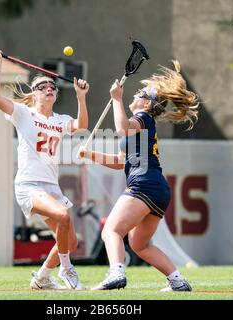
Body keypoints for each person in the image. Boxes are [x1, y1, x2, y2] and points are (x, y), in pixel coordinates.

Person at [78, 61, 198, 291]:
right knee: (139, 244)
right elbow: (121, 161)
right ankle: (177, 281)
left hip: (143, 185)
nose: (135, 94)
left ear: (146, 103)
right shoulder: (141, 122)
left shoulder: (143, 116)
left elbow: (122, 127)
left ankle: (115, 273)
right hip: (157, 188)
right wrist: (90, 154)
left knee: (111, 230)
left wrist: (116, 98)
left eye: (140, 93)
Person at [0, 45, 89, 290]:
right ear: (33, 94)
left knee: (70, 241)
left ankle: (42, 278)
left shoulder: (60, 120)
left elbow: (83, 125)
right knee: (64, 216)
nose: (49, 90)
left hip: (50, 187)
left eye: (52, 87)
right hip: (29, 185)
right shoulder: (23, 114)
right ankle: (66, 270)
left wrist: (81, 97)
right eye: (42, 87)